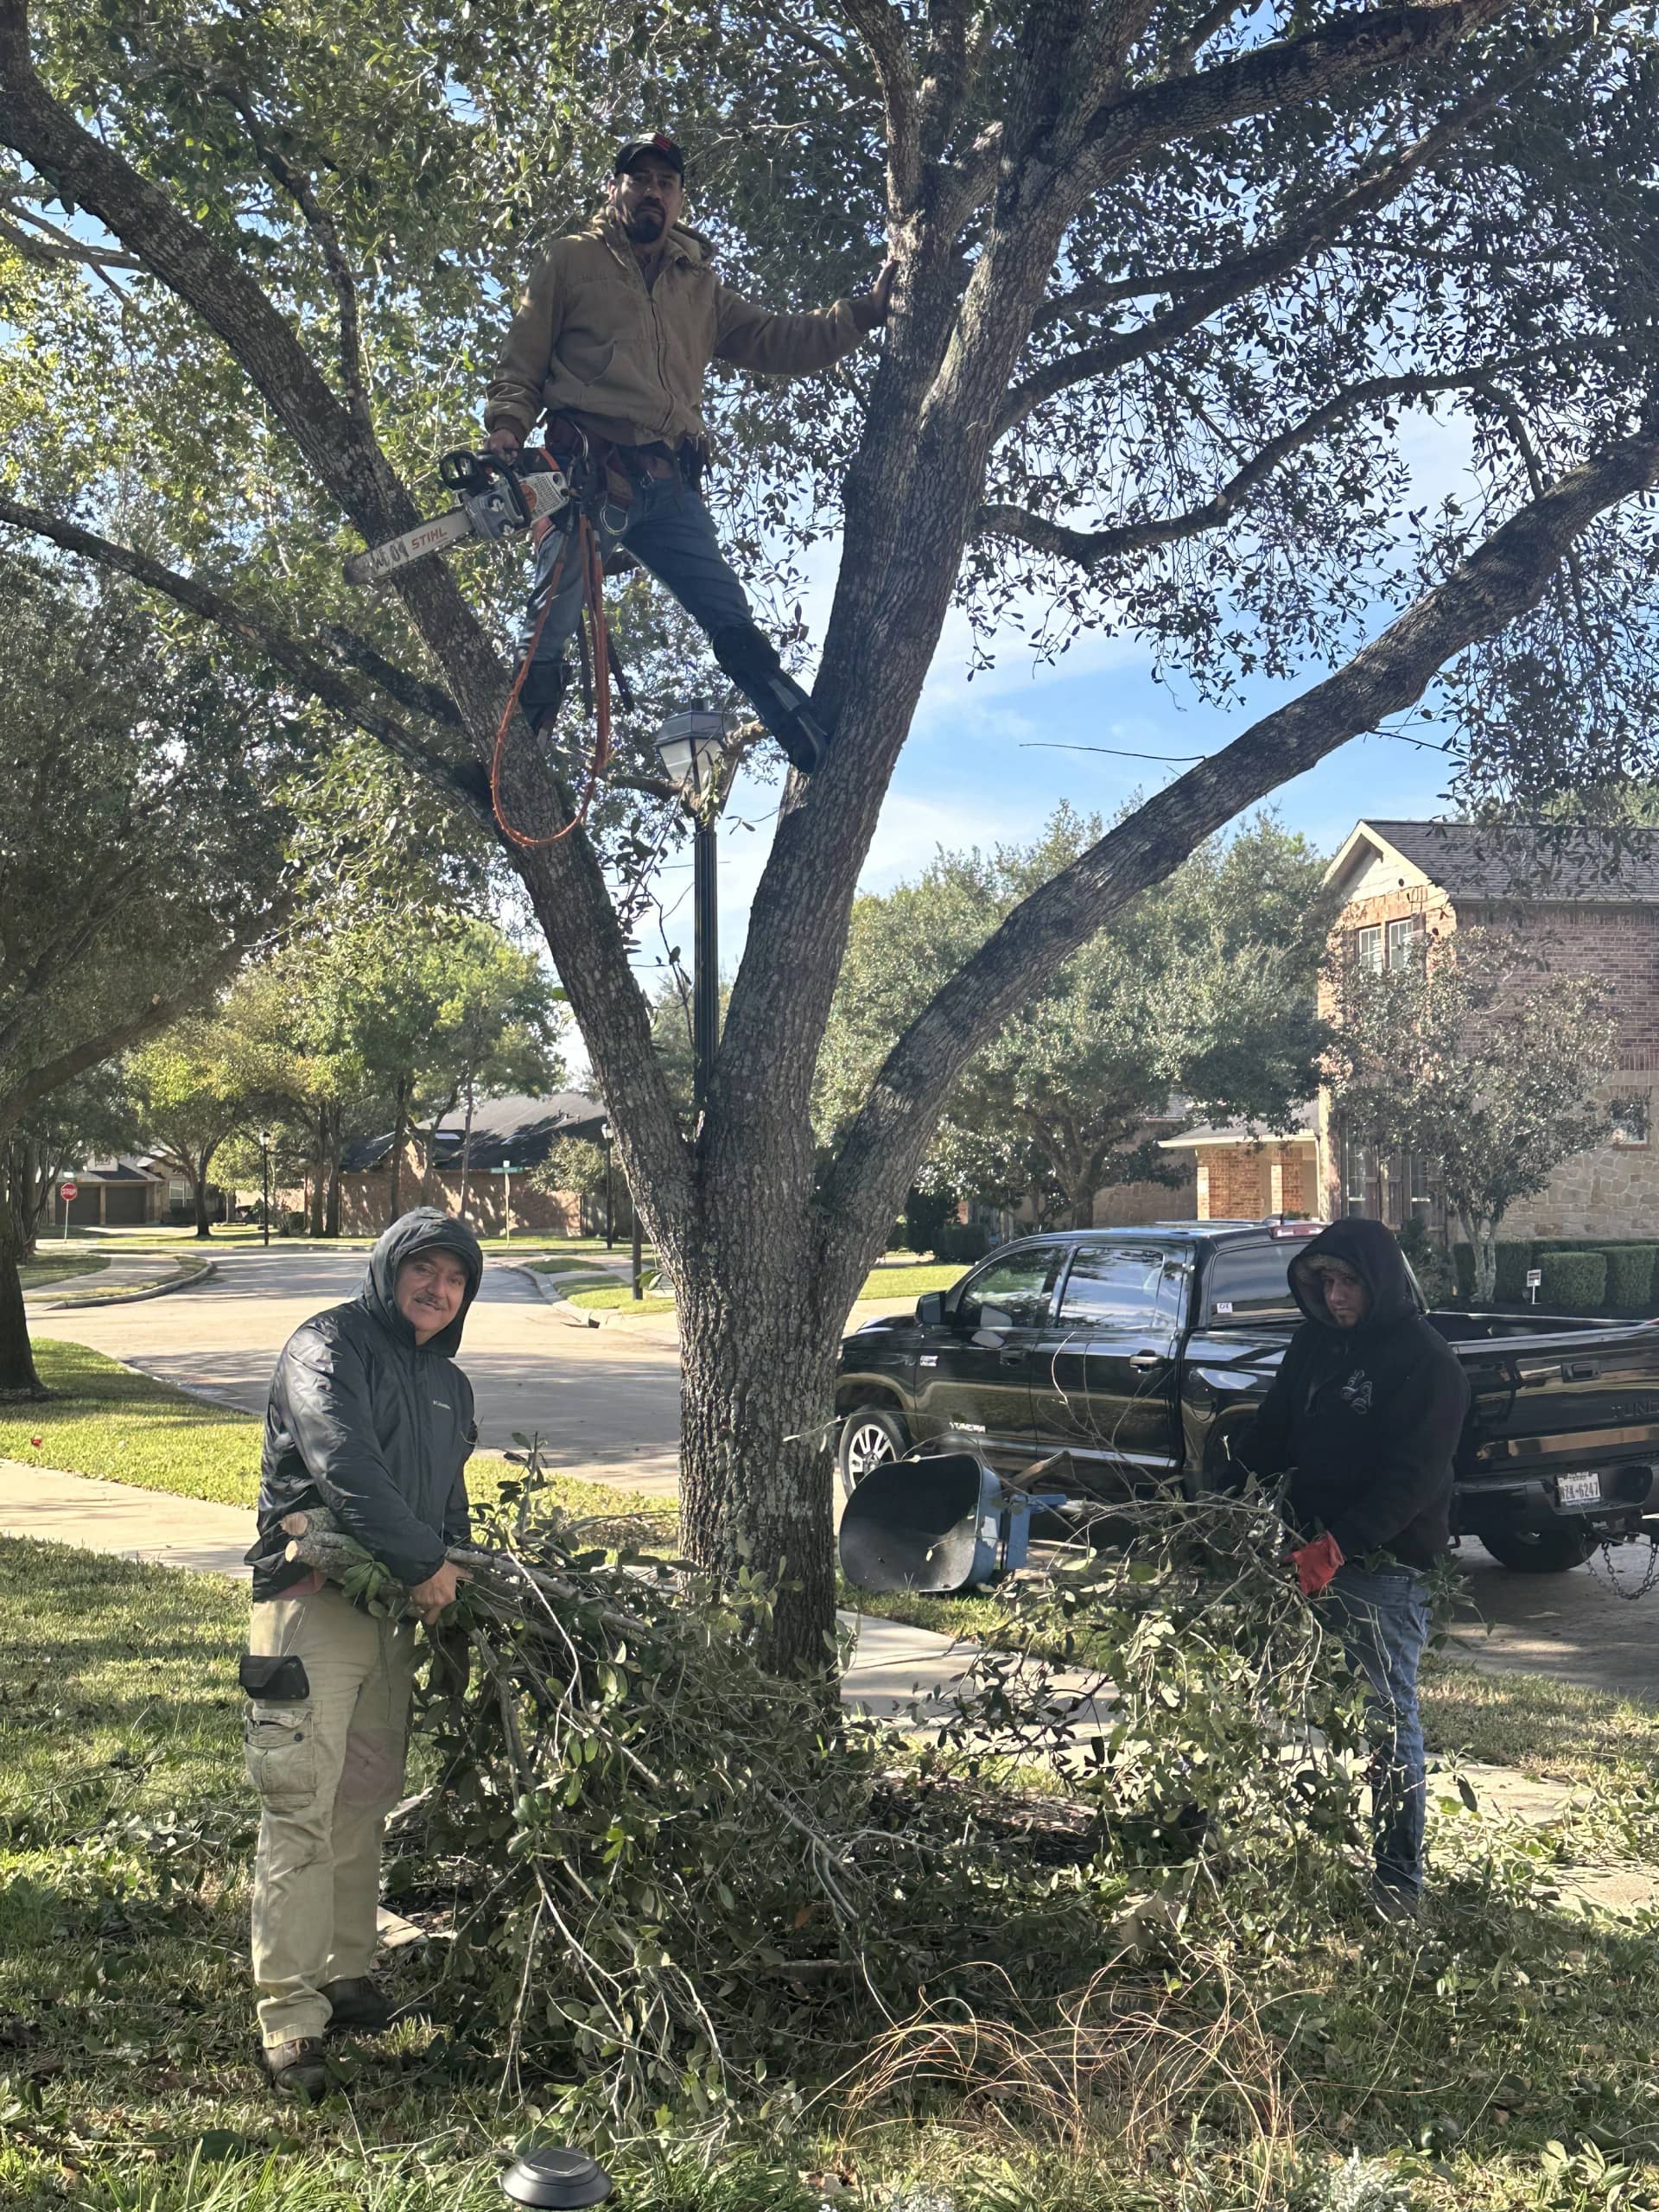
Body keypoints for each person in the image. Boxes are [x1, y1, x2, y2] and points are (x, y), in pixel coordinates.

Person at [482, 132, 897, 776]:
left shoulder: (698, 286)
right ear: (614, 189)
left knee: (727, 611)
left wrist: (863, 313)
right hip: (587, 471)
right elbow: (523, 355)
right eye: (640, 179)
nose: (653, 190)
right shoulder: (570, 260)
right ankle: (513, 765)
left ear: (678, 199)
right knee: (551, 617)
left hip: (669, 481)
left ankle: (804, 730)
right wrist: (508, 425)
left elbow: (776, 338)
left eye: (665, 182)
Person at [241, 1208, 484, 2096]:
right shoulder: (327, 1347)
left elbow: (446, 1496)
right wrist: (424, 1562)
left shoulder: (448, 1383)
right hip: (314, 1607)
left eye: (455, 1280)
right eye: (424, 1270)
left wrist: (455, 1575)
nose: (438, 1290)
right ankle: (290, 2019)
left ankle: (346, 1974)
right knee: (300, 1803)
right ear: (388, 1270)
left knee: (365, 1798)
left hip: (393, 1618)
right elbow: (345, 1465)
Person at [1236, 1217, 1470, 1919]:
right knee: (1243, 1690)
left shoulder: (1427, 1364)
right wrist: (1219, 1496)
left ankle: (1398, 1884)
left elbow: (1413, 1480)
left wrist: (1339, 1546)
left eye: (1349, 1282)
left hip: (1383, 1566)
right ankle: (1207, 1841)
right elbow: (1272, 1432)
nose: (1336, 1296)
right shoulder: (1313, 1345)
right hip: (1295, 1553)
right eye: (1326, 1282)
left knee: (1386, 1721)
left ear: (1381, 1282)